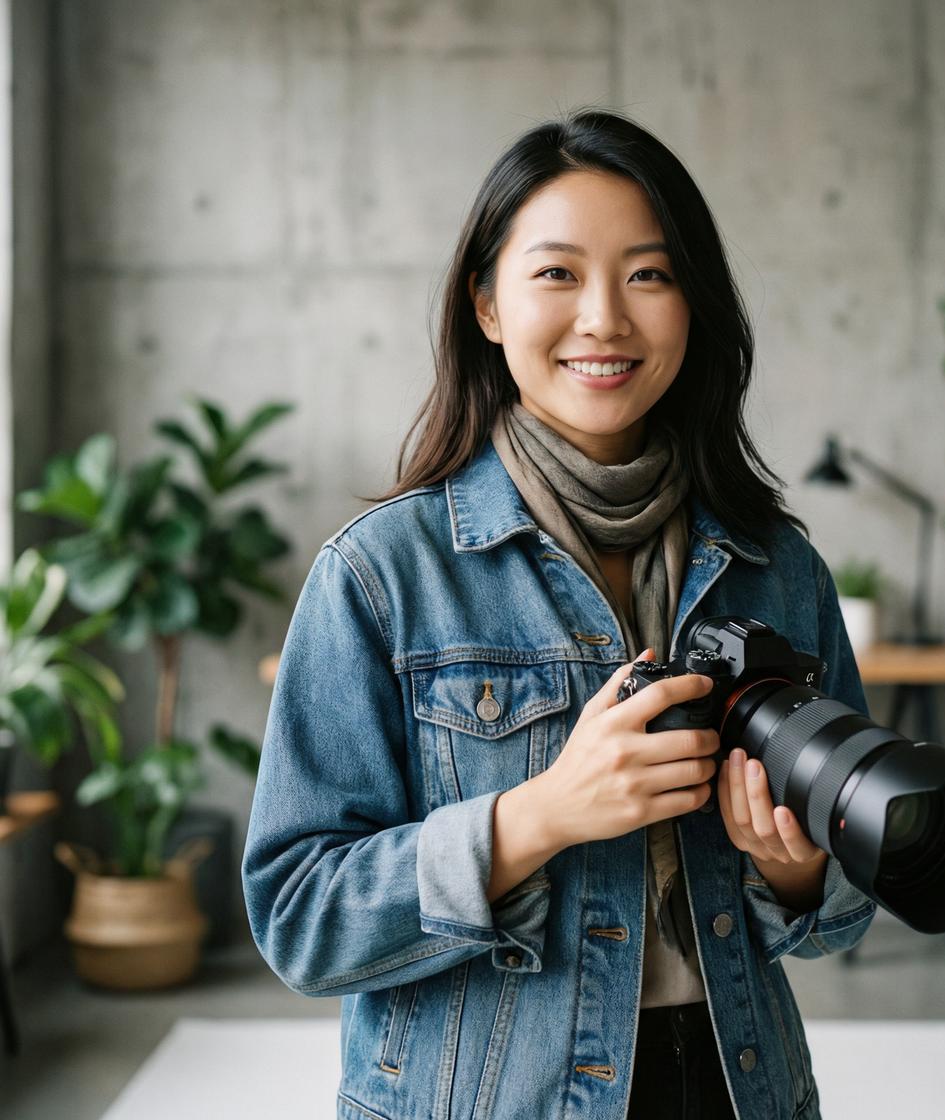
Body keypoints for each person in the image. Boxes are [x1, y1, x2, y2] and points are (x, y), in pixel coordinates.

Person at [242, 108, 876, 1120]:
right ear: (486, 304)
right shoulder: (380, 575)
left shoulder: (777, 568)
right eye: (557, 273)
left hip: (739, 1085)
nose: (605, 319)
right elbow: (299, 918)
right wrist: (539, 817)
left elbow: (842, 915)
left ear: (693, 302)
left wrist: (796, 874)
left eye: (649, 274)